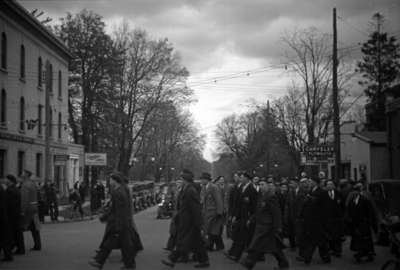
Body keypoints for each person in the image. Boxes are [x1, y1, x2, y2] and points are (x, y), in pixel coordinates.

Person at [89, 172, 143, 270]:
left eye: (110, 179)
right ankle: (129, 265)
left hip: (119, 223)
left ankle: (99, 261)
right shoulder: (123, 190)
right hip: (124, 222)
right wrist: (105, 217)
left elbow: (117, 210)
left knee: (110, 243)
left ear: (115, 180)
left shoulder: (117, 192)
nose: (109, 181)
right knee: (125, 246)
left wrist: (117, 225)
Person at [162, 169, 210, 268]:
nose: (180, 181)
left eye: (181, 179)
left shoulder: (190, 191)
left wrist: (198, 224)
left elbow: (195, 209)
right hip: (187, 221)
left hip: (190, 222)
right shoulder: (187, 189)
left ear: (185, 180)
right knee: (198, 243)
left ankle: (172, 259)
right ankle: (204, 261)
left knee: (183, 242)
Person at [241, 179, 289, 270]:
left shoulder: (271, 197)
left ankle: (249, 263)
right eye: (260, 184)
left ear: (267, 186)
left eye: (263, 184)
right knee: (274, 247)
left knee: (257, 244)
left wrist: (278, 226)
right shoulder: (261, 196)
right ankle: (284, 264)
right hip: (261, 225)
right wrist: (251, 219)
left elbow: (276, 213)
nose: (261, 186)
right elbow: (258, 211)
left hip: (268, 227)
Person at [297, 177, 330, 265]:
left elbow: (324, 207)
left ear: (315, 183)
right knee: (320, 241)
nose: (309, 183)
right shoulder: (311, 191)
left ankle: (307, 257)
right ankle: (326, 257)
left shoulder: (322, 192)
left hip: (318, 221)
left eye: (310, 181)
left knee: (313, 241)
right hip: (311, 220)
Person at [226, 172, 258, 262]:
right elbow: (238, 204)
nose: (240, 179)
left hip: (247, 217)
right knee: (238, 235)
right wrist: (234, 215)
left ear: (247, 178)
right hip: (240, 217)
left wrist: (251, 218)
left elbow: (255, 206)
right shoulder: (241, 188)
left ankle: (237, 255)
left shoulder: (252, 190)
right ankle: (233, 253)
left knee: (243, 237)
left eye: (242, 177)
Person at [347, 182, 378, 263]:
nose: (353, 193)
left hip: (363, 223)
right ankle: (362, 253)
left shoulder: (364, 200)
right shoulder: (352, 201)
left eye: (355, 192)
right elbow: (349, 210)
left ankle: (366, 254)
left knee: (365, 239)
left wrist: (369, 221)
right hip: (355, 223)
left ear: (358, 192)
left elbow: (369, 211)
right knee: (358, 239)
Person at [200, 172, 224, 251]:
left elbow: (218, 200)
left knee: (212, 230)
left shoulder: (213, 187)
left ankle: (210, 245)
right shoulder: (204, 187)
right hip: (206, 212)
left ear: (206, 180)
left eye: (202, 179)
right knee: (210, 230)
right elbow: (202, 200)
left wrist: (219, 212)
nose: (201, 181)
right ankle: (217, 245)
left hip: (213, 212)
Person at [19, 170, 42, 251]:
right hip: (34, 207)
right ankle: (38, 245)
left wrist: (22, 211)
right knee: (35, 228)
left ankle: (18, 247)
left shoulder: (25, 185)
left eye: (22, 173)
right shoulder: (32, 184)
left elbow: (24, 199)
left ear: (26, 175)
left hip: (28, 209)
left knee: (20, 228)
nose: (21, 174)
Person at [325, 180, 345, 257]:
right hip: (328, 218)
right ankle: (331, 249)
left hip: (337, 218)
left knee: (337, 236)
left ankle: (338, 251)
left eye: (331, 184)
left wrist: (341, 215)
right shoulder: (324, 195)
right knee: (330, 235)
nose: (329, 186)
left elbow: (343, 205)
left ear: (334, 185)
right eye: (328, 184)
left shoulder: (338, 194)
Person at [5, 175, 22, 256]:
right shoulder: (16, 189)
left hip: (11, 214)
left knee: (11, 233)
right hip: (16, 213)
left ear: (10, 181)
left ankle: (11, 249)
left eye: (6, 179)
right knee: (17, 232)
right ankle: (20, 248)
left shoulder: (10, 190)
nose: (5, 181)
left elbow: (9, 204)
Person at [0, 178, 13, 262]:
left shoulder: (5, 190)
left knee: (3, 238)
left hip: (2, 215)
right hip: (4, 215)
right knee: (4, 237)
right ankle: (8, 255)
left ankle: (8, 255)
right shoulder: (3, 189)